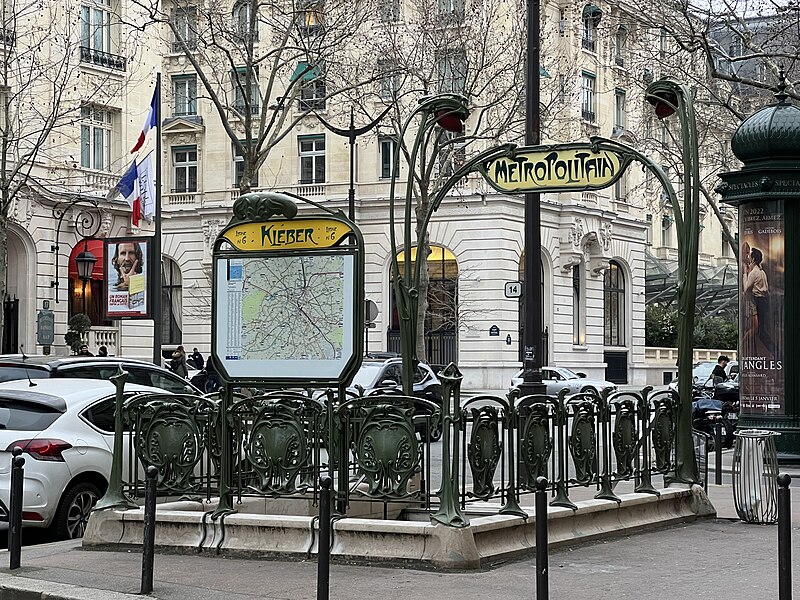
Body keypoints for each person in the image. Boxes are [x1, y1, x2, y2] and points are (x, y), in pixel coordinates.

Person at [744, 247, 775, 352]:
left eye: (749, 256)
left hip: (758, 301)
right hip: (764, 300)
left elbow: (746, 288)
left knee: (760, 331)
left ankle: (775, 352)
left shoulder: (754, 273)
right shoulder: (762, 272)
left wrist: (745, 275)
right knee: (761, 329)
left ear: (753, 259)